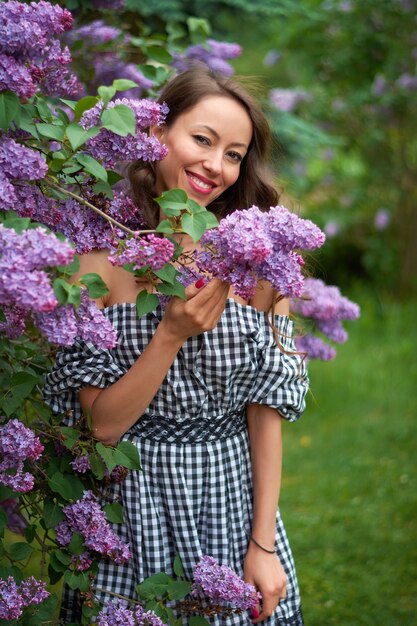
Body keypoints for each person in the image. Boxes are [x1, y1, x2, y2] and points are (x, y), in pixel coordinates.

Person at [43, 66, 309, 626]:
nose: (217, 165)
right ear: (157, 135)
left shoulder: (259, 267)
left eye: (235, 155)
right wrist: (169, 334)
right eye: (203, 140)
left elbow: (266, 415)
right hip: (133, 512)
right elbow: (103, 429)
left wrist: (262, 545)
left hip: (232, 506)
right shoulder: (96, 269)